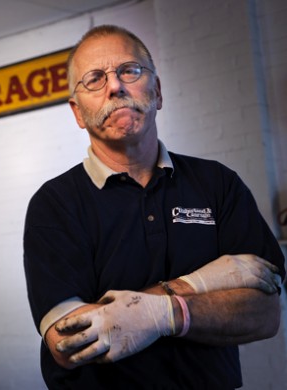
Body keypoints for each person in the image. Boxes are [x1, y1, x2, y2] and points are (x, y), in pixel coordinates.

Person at [23, 24, 285, 389]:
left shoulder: (218, 184)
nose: (115, 87)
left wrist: (168, 313)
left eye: (129, 71)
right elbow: (69, 342)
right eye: (95, 79)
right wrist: (203, 283)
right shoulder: (53, 205)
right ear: (78, 113)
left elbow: (265, 315)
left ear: (158, 91)